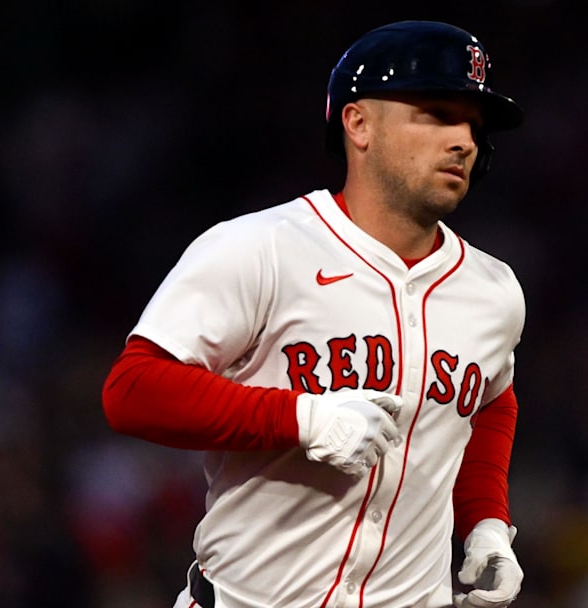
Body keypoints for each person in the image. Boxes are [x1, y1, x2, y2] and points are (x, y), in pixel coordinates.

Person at [101, 20, 527, 608]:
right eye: (436, 114)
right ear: (358, 124)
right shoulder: (262, 247)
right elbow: (133, 390)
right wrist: (301, 418)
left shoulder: (493, 290)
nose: (463, 140)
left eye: (473, 125)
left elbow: (489, 400)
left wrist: (484, 522)